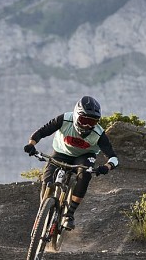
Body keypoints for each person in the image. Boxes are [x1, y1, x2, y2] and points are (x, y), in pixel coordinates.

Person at [23, 96, 119, 230]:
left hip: (84, 156)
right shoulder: (64, 119)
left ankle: (69, 214)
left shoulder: (99, 134)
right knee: (47, 180)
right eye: (84, 120)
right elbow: (42, 131)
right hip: (61, 152)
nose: (87, 125)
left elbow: (113, 157)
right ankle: (43, 209)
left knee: (85, 175)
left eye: (92, 122)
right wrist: (31, 145)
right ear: (75, 115)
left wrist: (106, 167)